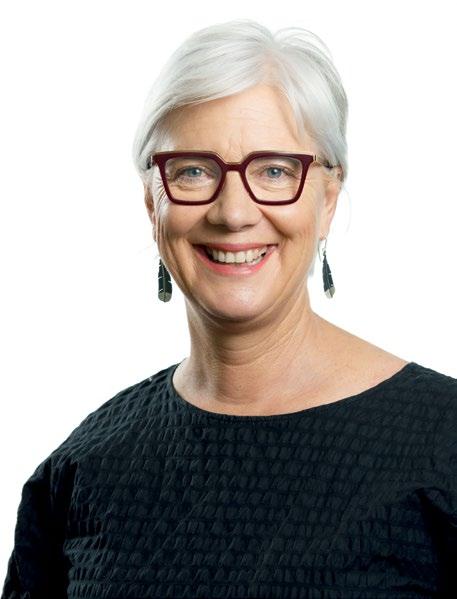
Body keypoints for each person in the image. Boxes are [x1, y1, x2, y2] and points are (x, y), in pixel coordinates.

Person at [2, 18, 457, 598]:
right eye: (194, 171)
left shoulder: (444, 444)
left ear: (327, 199)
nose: (234, 213)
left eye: (275, 171)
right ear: (153, 203)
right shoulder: (81, 471)